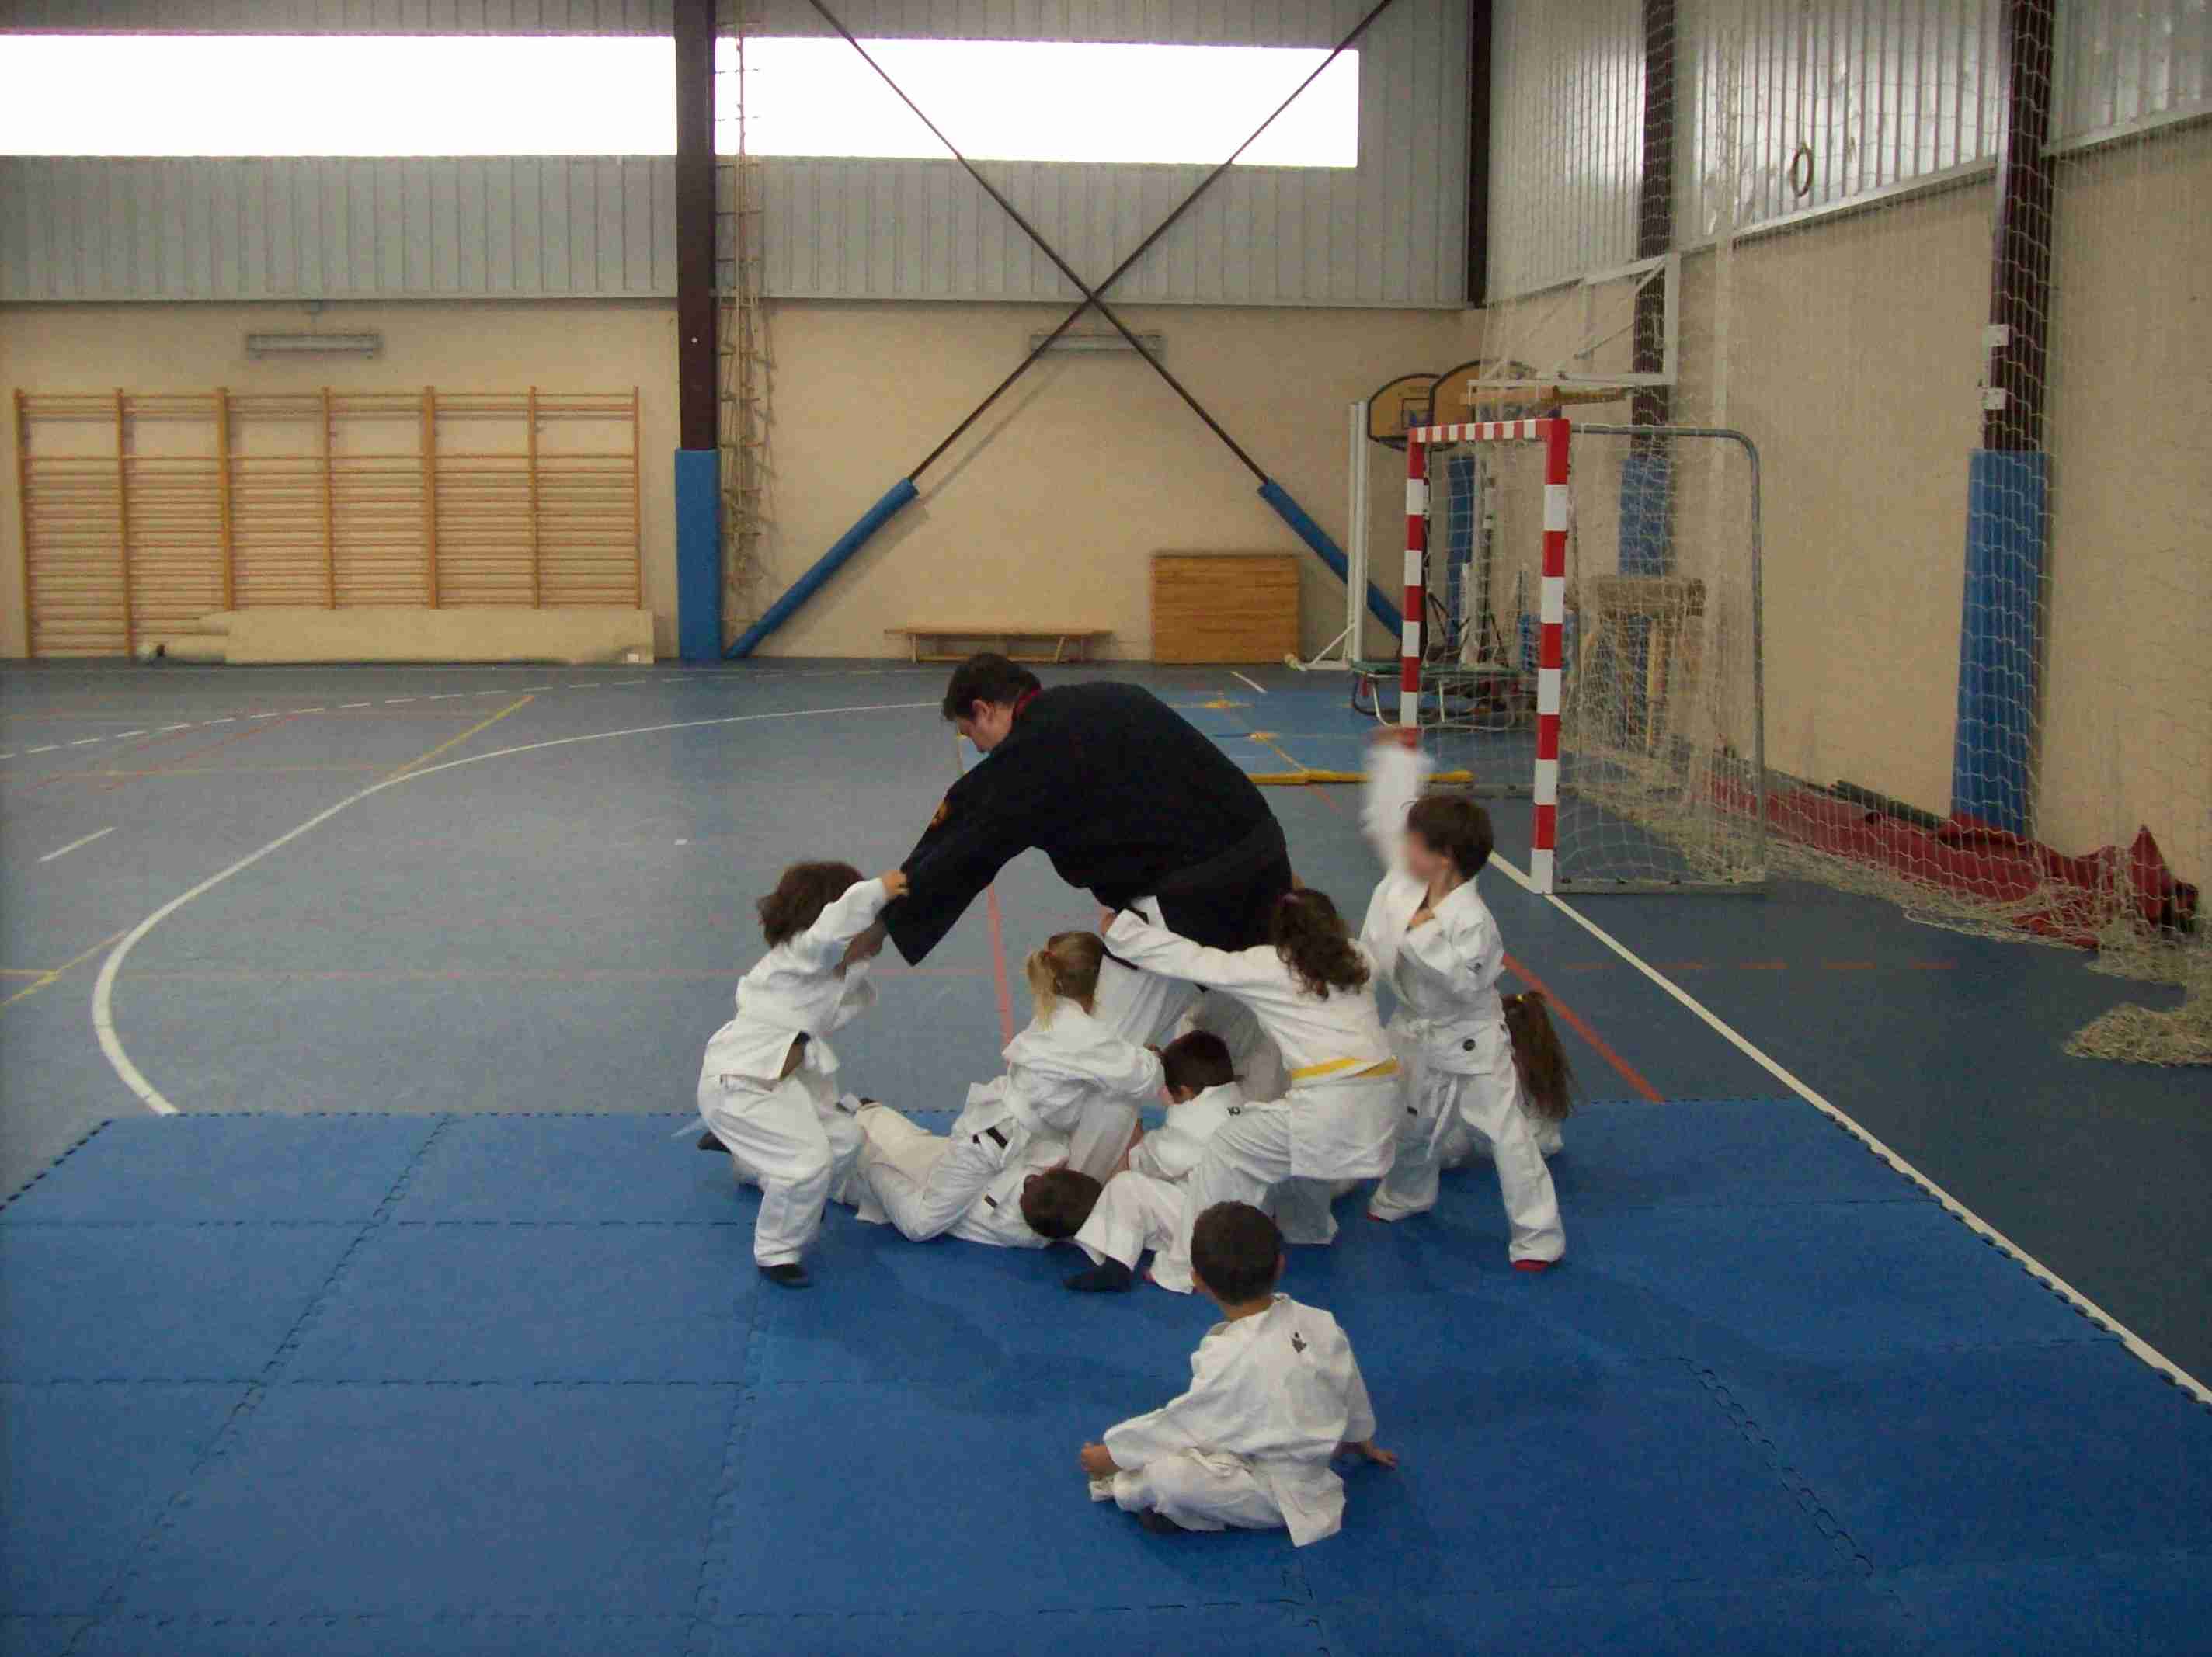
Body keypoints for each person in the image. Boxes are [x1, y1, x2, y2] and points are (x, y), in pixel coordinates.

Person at [885, 655, 1296, 1076]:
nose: (982, 751)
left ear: (984, 710)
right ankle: (1248, 1133)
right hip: (1267, 875)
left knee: (1095, 1056)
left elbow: (965, 839)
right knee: (1233, 1037)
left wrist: (886, 910)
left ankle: (1086, 1141)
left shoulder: (1031, 751)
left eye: (974, 737)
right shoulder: (1115, 697)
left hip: (1195, 899)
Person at [1103, 888, 1400, 1292]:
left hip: (1331, 1104)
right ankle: (1307, 1226)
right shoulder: (1357, 959)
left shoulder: (1273, 967)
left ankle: (1179, 1269)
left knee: (1228, 1147)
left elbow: (1193, 959)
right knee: (1290, 1139)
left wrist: (1122, 932)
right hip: (1382, 1103)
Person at [1358, 733, 1564, 1270]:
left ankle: (1538, 1235)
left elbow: (1462, 984)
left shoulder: (1474, 921)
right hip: (1415, 1031)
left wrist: (1421, 935)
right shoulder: (1402, 886)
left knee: (1508, 1136)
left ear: (1444, 858)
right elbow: (1388, 826)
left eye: (1414, 843)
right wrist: (1399, 761)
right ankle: (1407, 1194)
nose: (1403, 849)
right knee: (1413, 1121)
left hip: (1471, 1038)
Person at [1077, 1202, 1396, 1543]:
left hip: (1276, 1494)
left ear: (1198, 1281)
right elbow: (1349, 1383)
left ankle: (1178, 1512)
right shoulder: (1319, 1321)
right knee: (1201, 1443)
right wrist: (1360, 1437)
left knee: (1167, 1477)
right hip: (1307, 1463)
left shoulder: (1231, 1357)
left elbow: (1181, 1424)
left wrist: (1111, 1456)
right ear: (1281, 1265)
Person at [840, 931, 1159, 1238]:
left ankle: (871, 1118)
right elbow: (1144, 1078)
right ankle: (865, 1164)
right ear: (1099, 985)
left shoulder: (1060, 1014)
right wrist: (1153, 1058)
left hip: (1017, 1138)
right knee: (922, 1223)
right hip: (992, 1141)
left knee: (941, 1171)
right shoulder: (1084, 1034)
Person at [694, 860, 906, 1289]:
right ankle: (776, 1251)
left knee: (846, 1141)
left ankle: (749, 1160)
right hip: (739, 1086)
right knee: (808, 1164)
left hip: (779, 1085)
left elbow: (861, 948)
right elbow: (834, 933)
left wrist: (894, 916)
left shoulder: (834, 970)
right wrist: (877, 891)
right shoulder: (800, 957)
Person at [1066, 1030, 1243, 1293]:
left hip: (1209, 1230)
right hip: (1244, 1225)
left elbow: (1146, 1162)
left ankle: (1116, 1268)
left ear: (1183, 1091)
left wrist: (1135, 1125)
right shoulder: (1240, 1102)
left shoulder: (1192, 1122)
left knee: (1126, 1186)